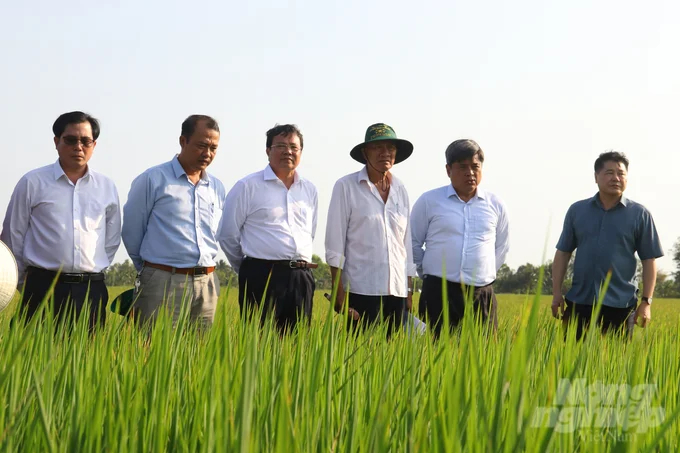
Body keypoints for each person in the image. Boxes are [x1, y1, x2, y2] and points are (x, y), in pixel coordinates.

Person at [1, 111, 121, 329]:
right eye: (71, 140)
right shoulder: (32, 182)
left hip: (90, 290)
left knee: (88, 358)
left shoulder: (106, 187)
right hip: (42, 287)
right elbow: (13, 235)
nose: (78, 147)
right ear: (57, 142)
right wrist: (22, 283)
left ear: (94, 145)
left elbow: (111, 240)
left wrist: (91, 268)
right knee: (34, 356)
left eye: (86, 141)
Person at [122, 115, 225, 328]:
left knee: (200, 356)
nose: (207, 153)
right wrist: (152, 271)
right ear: (183, 141)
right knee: (155, 354)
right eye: (201, 145)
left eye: (213, 148)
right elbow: (132, 231)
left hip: (207, 284)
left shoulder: (216, 186)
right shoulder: (153, 179)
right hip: (164, 281)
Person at [551, 151, 663, 340]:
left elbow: (649, 260)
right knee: (569, 363)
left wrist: (646, 302)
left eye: (621, 173)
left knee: (616, 365)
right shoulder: (577, 211)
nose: (616, 178)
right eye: (609, 173)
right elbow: (563, 253)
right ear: (596, 177)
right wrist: (556, 294)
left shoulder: (640, 214)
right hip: (580, 301)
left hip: (620, 305)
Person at [218, 124, 318, 332]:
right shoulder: (248, 186)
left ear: (301, 152)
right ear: (268, 151)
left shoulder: (309, 189)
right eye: (280, 146)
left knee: (298, 347)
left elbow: (311, 232)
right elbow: (227, 235)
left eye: (293, 147)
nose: (288, 151)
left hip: (301, 278)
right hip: (262, 276)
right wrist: (249, 268)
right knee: (260, 344)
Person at [325, 123, 417, 338]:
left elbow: (406, 244)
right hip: (361, 290)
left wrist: (409, 290)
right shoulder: (346, 187)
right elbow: (334, 243)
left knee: (392, 360)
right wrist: (339, 293)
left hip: (397, 291)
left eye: (390, 148)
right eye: (378, 147)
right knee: (359, 357)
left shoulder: (400, 189)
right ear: (365, 152)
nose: (385, 153)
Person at [411, 139, 509, 336]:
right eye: (462, 167)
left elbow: (501, 248)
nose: (470, 173)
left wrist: (484, 273)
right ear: (448, 170)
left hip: (482, 295)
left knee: (483, 357)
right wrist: (429, 274)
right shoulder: (429, 201)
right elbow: (412, 244)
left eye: (475, 166)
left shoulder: (495, 204)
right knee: (436, 353)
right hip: (439, 293)